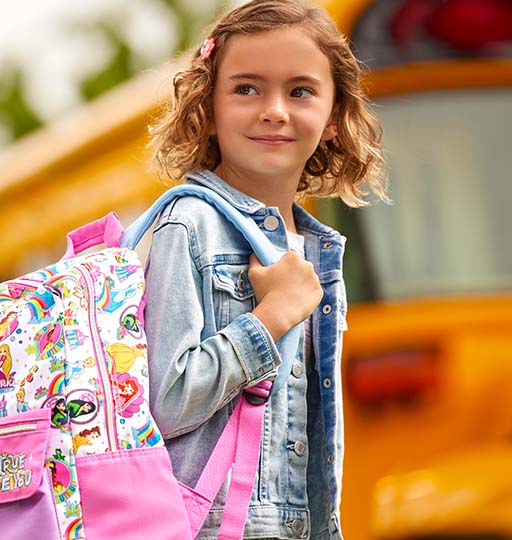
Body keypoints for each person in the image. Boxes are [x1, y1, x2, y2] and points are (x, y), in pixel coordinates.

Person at [144, 1, 388, 539]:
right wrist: (270, 318)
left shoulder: (317, 247)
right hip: (210, 526)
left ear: (332, 116)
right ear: (207, 107)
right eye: (246, 88)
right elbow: (166, 404)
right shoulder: (190, 225)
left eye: (300, 91)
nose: (274, 110)